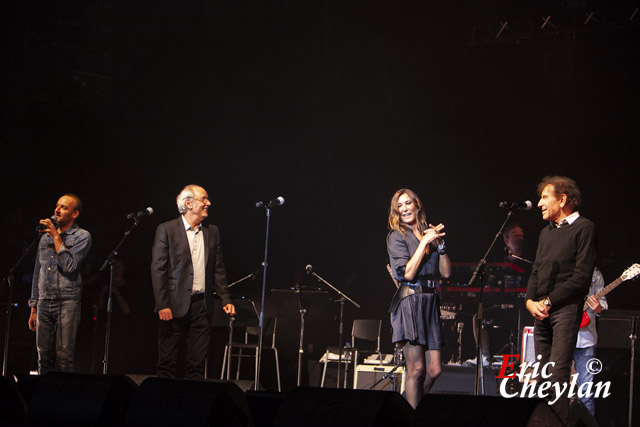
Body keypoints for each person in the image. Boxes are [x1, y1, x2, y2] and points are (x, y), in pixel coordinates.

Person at [525, 176, 597, 423]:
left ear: (563, 199)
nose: (540, 203)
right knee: (543, 374)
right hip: (541, 311)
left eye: (545, 197)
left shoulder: (584, 228)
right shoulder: (546, 233)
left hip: (565, 309)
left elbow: (581, 277)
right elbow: (536, 270)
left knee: (558, 372)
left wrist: (549, 301)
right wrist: (530, 302)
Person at [151, 184, 236, 379]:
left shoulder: (212, 232)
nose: (208, 203)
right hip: (173, 304)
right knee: (167, 362)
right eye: (203, 199)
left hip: (201, 305)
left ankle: (193, 404)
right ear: (188, 203)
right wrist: (162, 304)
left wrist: (225, 299)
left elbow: (218, 269)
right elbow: (158, 269)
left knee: (197, 363)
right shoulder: (167, 229)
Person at [386, 188, 451, 408]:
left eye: (408, 204)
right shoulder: (396, 236)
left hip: (430, 302)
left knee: (435, 369)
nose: (404, 209)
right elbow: (407, 273)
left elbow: (446, 273)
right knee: (416, 369)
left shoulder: (429, 232)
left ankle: (406, 407)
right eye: (400, 206)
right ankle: (412, 416)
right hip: (410, 302)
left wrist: (440, 247)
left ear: (417, 205)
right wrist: (423, 242)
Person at [28, 194, 92, 374]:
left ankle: (63, 397)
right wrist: (34, 307)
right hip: (43, 301)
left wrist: (56, 236)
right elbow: (37, 272)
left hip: (67, 302)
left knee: (64, 358)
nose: (57, 210)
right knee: (43, 358)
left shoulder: (82, 236)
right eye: (57, 206)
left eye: (64, 207)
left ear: (74, 214)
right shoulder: (44, 238)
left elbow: (69, 266)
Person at [573, 266, 607, 416]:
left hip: (587, 339)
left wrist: (598, 307)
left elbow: (603, 306)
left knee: (586, 390)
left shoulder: (595, 273)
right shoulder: (564, 267)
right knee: (556, 387)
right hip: (563, 337)